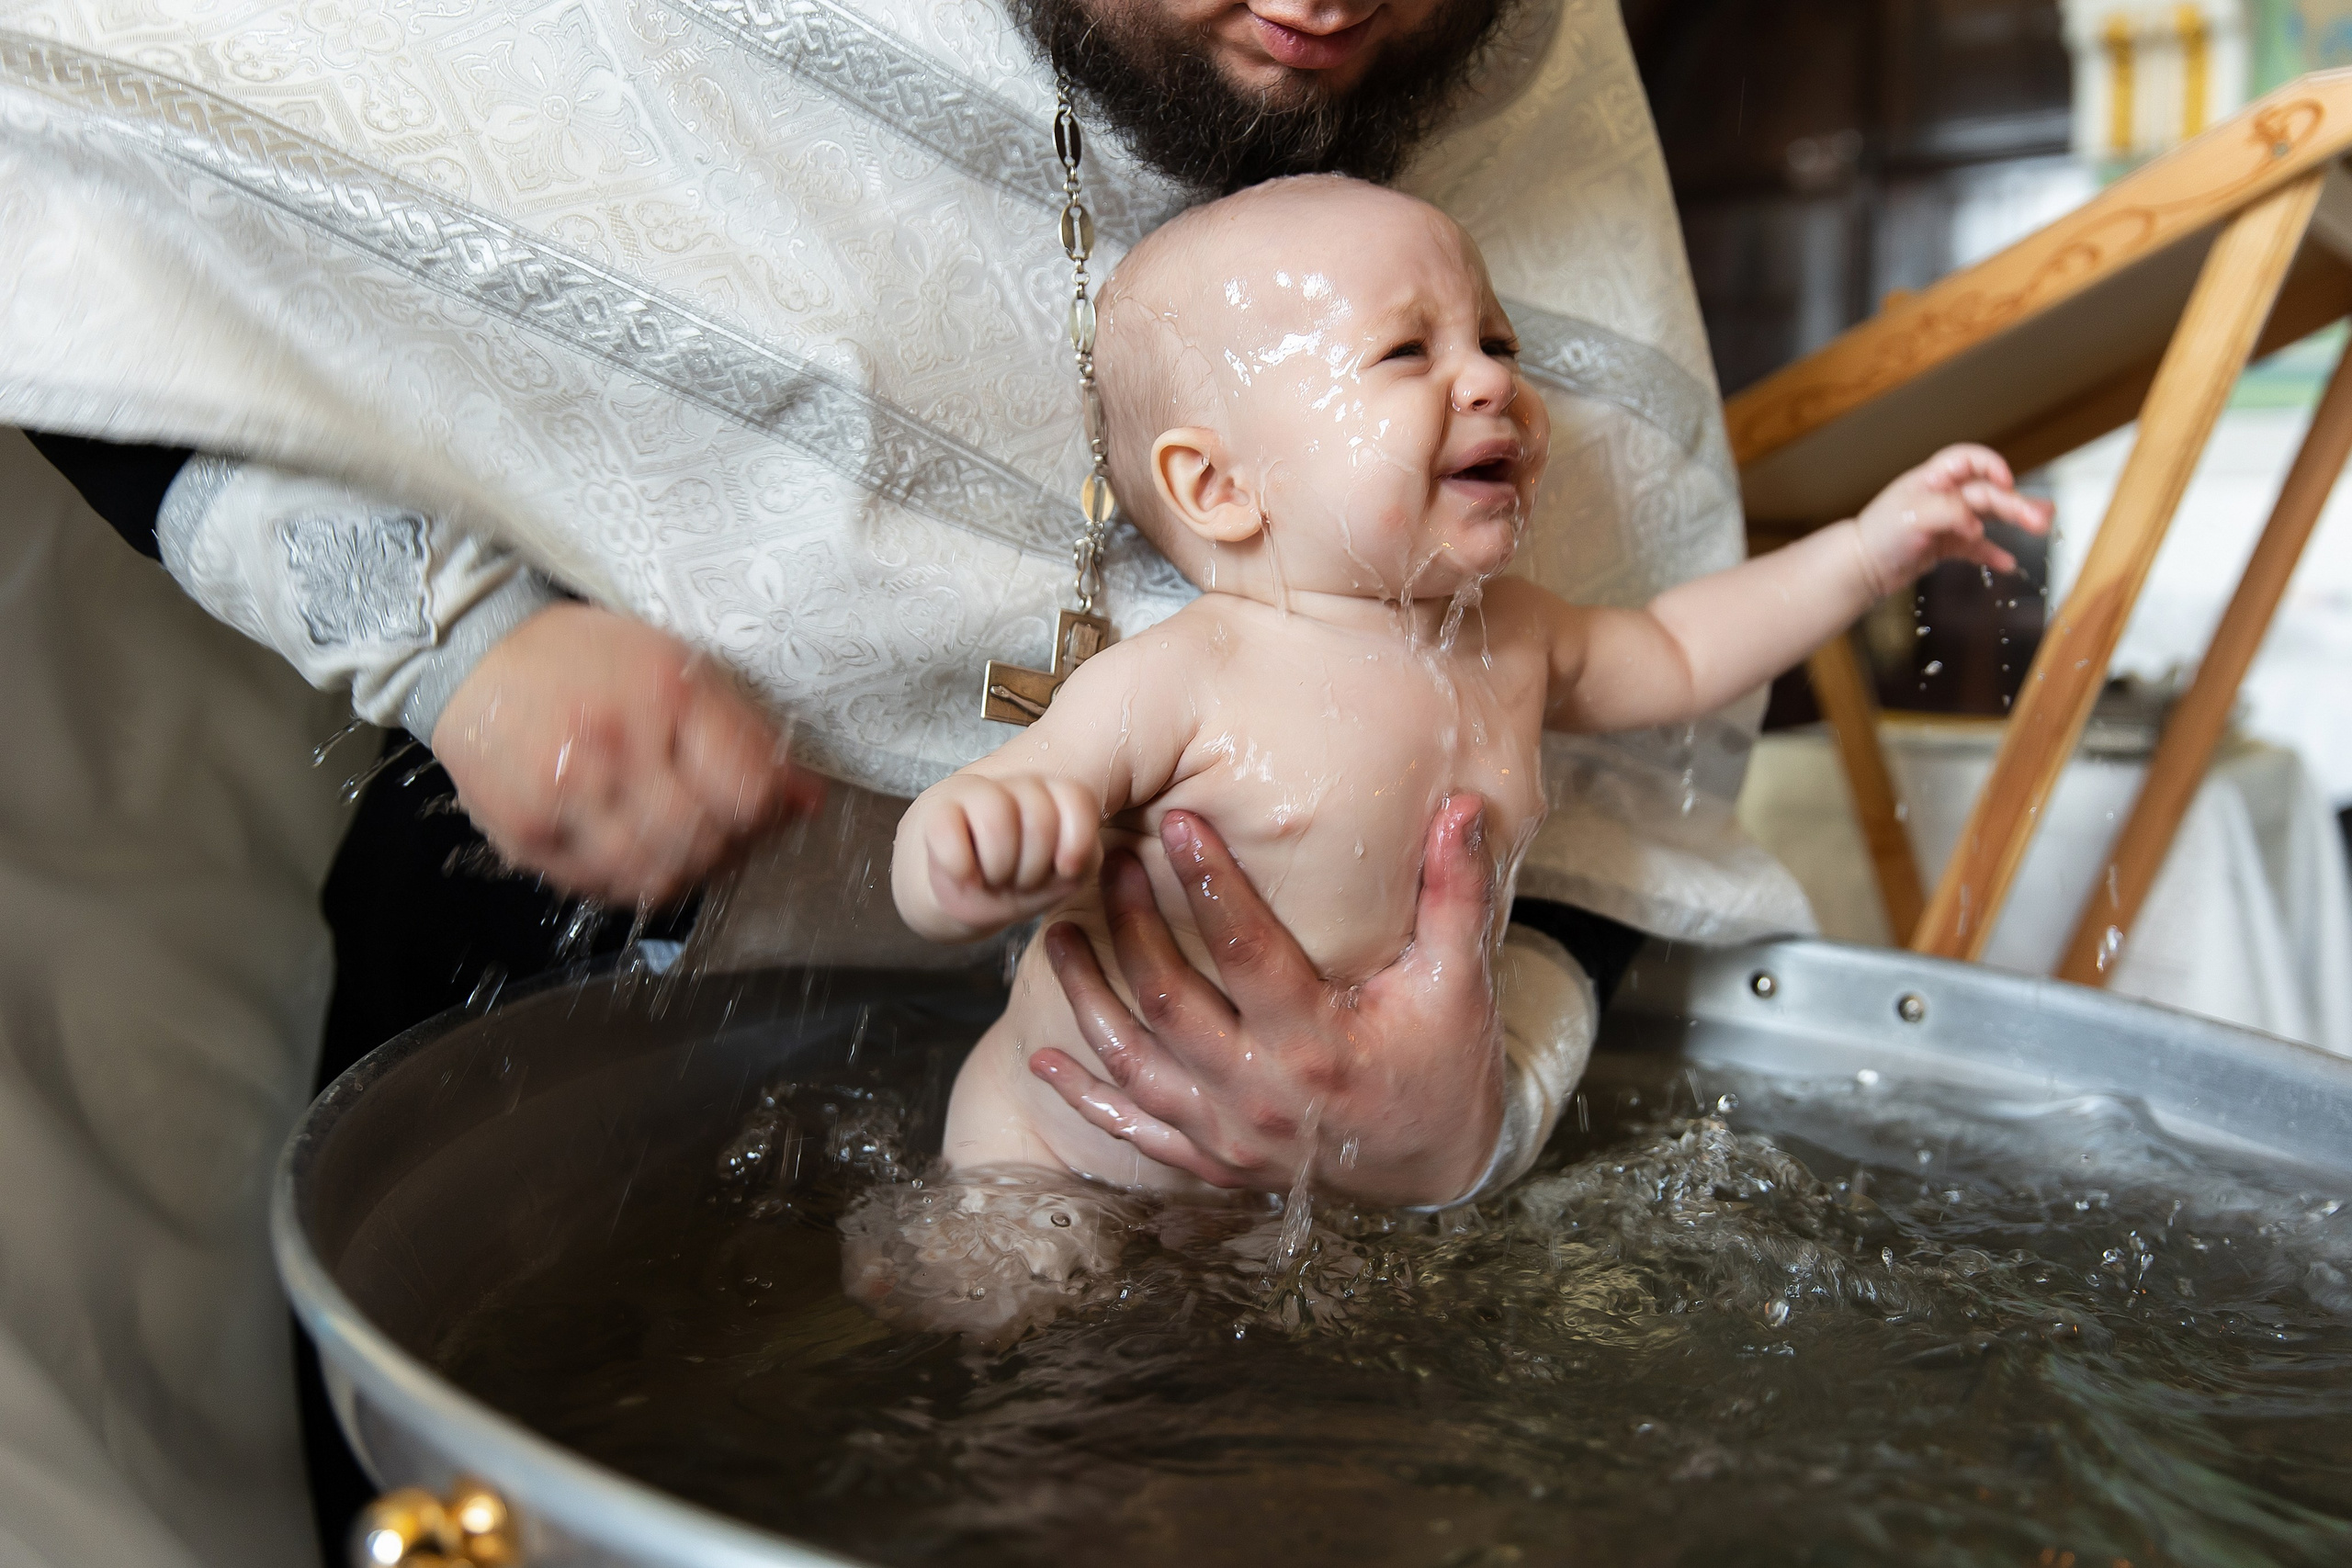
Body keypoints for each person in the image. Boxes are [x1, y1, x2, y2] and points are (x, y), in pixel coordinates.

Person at [0, 0, 1809, 1561]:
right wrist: (465, 641)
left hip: (1313, 1238)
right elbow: (70, 164)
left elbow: (1607, 711)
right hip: (571, 1015)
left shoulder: (1524, 59)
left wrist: (1469, 1080)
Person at [898, 177, 2048, 1207]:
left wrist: (1866, 552)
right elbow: (974, 822)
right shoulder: (1181, 677)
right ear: (1217, 483)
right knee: (1011, 1374)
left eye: (1495, 340)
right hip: (1050, 1160)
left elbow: (1684, 653)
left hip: (1308, 1176)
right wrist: (972, 849)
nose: (1492, 379)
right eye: (1408, 354)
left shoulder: (1515, 637)